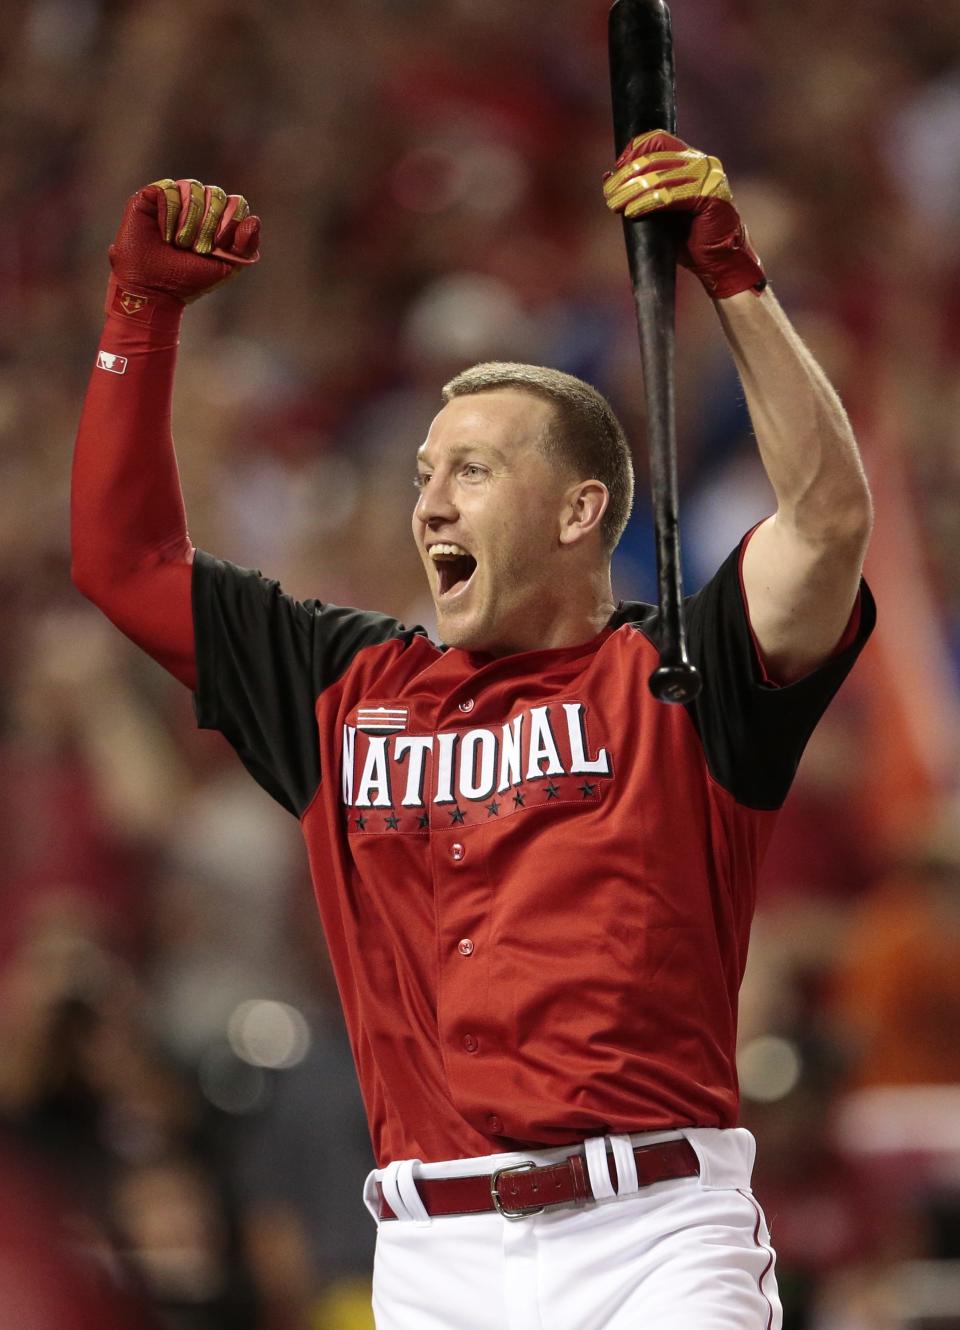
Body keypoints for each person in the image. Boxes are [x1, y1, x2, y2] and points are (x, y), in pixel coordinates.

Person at [72, 136, 875, 1330]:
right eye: (422, 473)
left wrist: (737, 283)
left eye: (474, 470)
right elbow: (122, 563)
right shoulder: (345, 686)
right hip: (432, 1254)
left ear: (579, 509)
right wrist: (138, 317)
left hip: (655, 1231)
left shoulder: (680, 676)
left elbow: (826, 519)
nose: (430, 502)